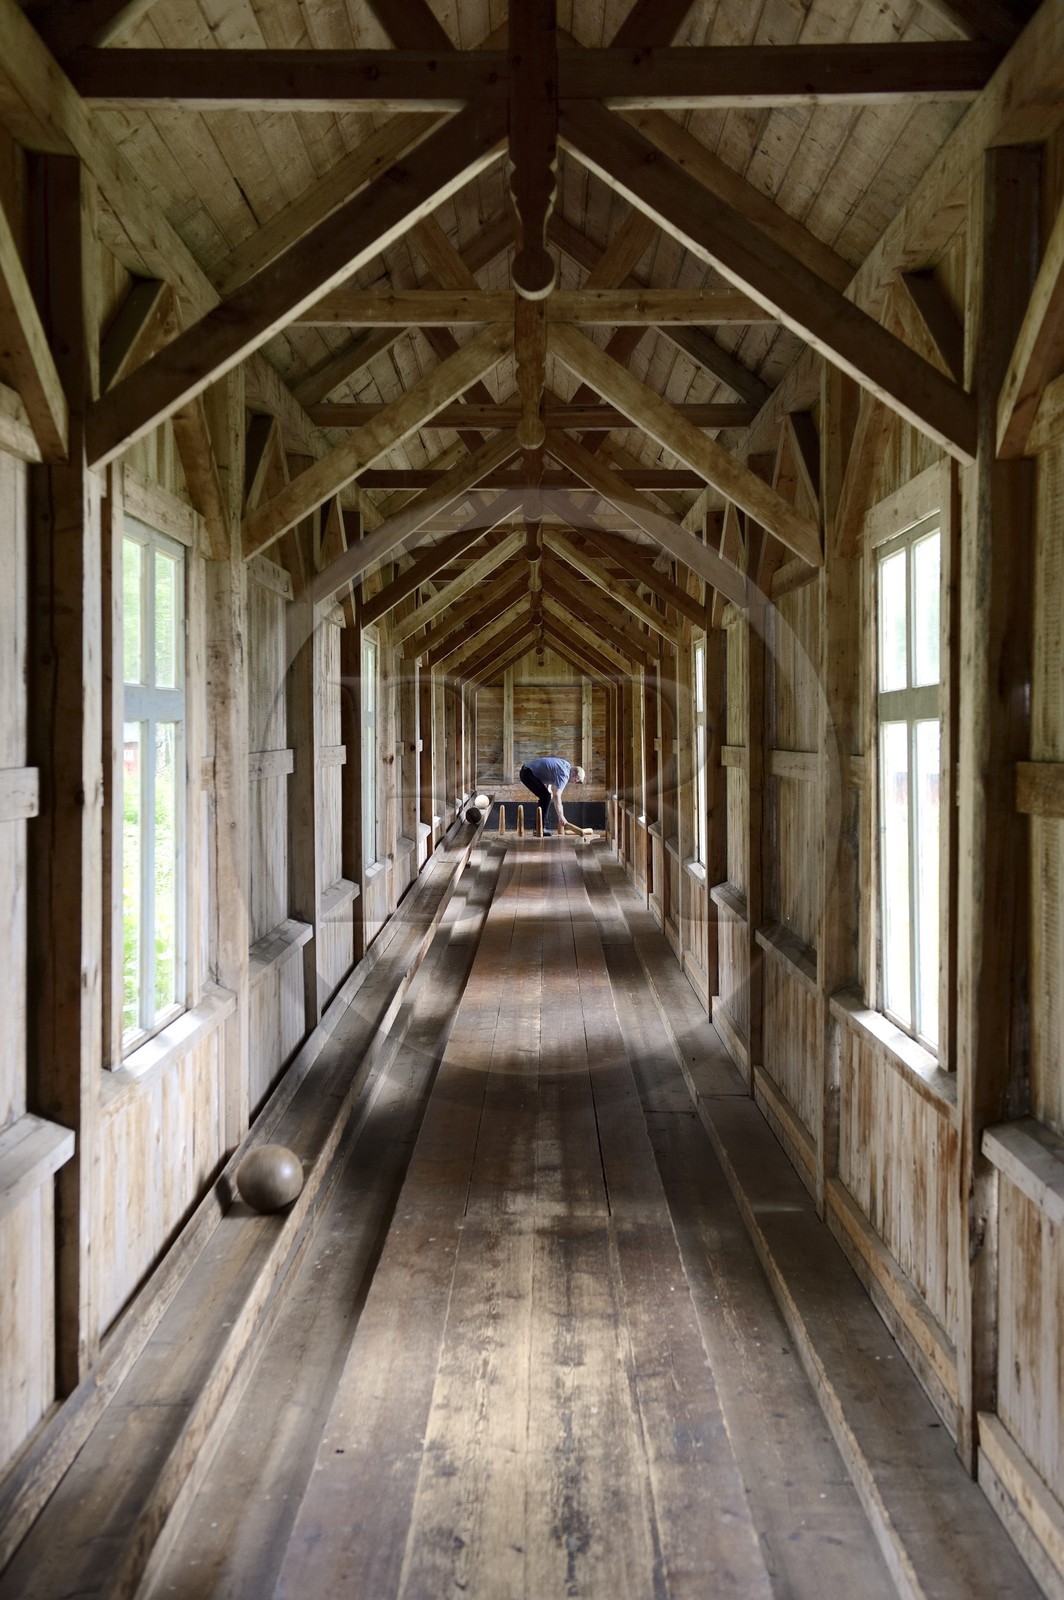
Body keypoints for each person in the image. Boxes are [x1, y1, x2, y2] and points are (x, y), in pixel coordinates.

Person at [518, 756, 585, 836]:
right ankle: (539, 828)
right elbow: (557, 795)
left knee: (546, 796)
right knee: (545, 797)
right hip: (527, 773)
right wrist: (561, 816)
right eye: (577, 779)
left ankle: (539, 827)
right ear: (573, 773)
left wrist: (548, 788)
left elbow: (550, 770)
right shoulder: (565, 775)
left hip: (527, 771)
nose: (575, 782)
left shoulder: (566, 765)